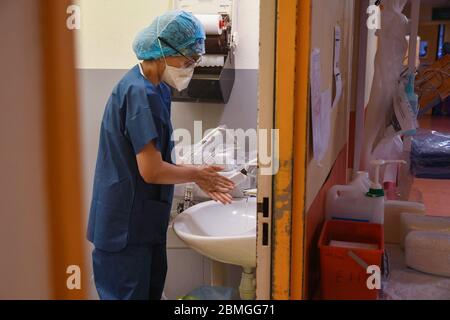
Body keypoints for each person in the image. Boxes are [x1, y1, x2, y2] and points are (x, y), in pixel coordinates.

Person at [87, 11, 235, 300]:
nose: (191, 67)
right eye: (189, 59)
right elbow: (151, 171)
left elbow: (155, 158)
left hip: (142, 225)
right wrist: (196, 174)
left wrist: (195, 172)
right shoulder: (139, 93)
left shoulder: (158, 89)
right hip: (124, 232)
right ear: (163, 51)